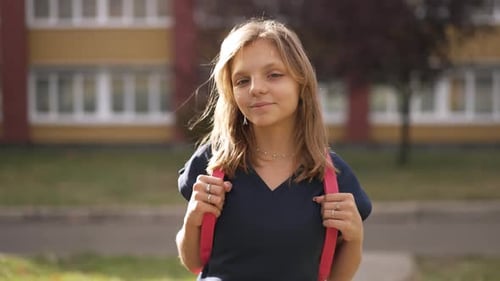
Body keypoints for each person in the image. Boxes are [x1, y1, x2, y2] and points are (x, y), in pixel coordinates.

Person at [176, 18, 372, 281]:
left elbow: (337, 278)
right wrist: (192, 218)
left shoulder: (334, 178)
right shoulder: (212, 164)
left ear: (301, 84)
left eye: (274, 75)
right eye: (242, 81)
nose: (256, 88)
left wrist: (355, 237)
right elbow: (194, 262)